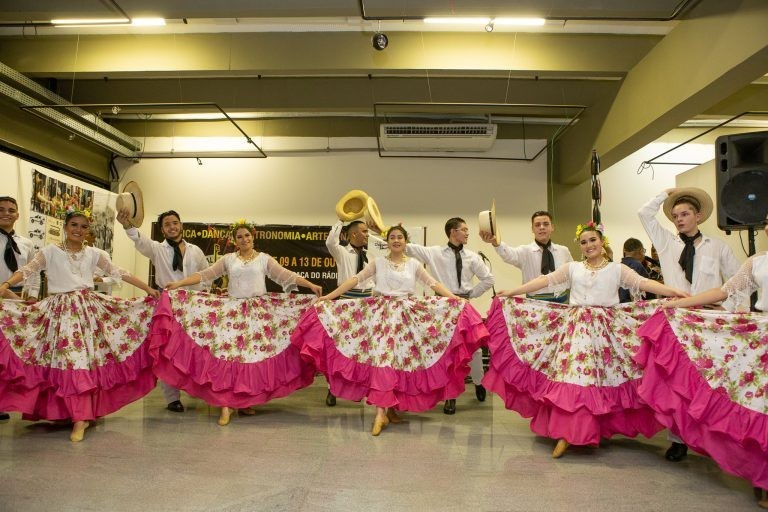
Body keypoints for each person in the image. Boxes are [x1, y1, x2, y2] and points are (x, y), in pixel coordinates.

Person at [486, 221, 688, 458]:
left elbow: (643, 283)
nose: (589, 245)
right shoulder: (572, 268)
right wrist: (512, 292)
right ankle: (570, 431)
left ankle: (593, 428)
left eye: (593, 240)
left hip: (605, 330)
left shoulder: (617, 269)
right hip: (576, 328)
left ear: (602, 242)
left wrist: (672, 291)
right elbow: (545, 281)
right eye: (584, 242)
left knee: (601, 378)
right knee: (576, 377)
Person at [293, 225, 488, 436]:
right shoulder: (378, 262)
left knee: (400, 360)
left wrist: (455, 298)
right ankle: (380, 412)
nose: (396, 240)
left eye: (400, 237)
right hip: (381, 316)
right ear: (387, 242)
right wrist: (330, 297)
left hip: (406, 318)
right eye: (392, 237)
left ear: (406, 242)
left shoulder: (413, 264)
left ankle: (392, 409)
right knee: (384, 360)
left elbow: (433, 283)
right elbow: (355, 280)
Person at [634, 223, 768, 508]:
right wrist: (677, 305)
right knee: (760, 405)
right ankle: (764, 476)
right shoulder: (757, 262)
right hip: (761, 337)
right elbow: (723, 291)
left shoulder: (720, 247)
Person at [0, 207, 159, 442]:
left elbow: (120, 272)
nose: (78, 230)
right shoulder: (50, 251)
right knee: (63, 360)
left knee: (81, 361)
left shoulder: (94, 253)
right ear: (65, 227)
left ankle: (81, 417)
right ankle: (68, 412)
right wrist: (5, 284)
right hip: (58, 312)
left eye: (84, 227)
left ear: (88, 231)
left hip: (87, 312)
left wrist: (147, 289)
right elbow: (27, 270)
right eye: (74, 225)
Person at [154, 220, 322, 426]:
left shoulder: (263, 259)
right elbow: (205, 275)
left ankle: (243, 401)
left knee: (250, 359)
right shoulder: (228, 259)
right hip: (232, 313)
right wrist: (179, 283)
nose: (244, 239)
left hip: (258, 314)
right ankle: (226, 405)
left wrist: (310, 284)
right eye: (240, 237)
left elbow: (286, 275)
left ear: (253, 237)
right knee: (229, 358)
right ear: (235, 240)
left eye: (247, 236)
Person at [638, 187, 741, 462]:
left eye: (685, 214)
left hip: (709, 323)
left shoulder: (718, 247)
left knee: (708, 384)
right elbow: (644, 214)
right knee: (675, 383)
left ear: (698, 216)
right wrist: (665, 194)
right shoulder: (667, 243)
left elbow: (738, 282)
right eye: (675, 215)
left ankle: (711, 438)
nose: (679, 219)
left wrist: (727, 309)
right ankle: (677, 440)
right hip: (676, 321)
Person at [117, 208, 210, 414]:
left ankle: (197, 389)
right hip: (167, 305)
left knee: (194, 348)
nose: (172, 227)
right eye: (167, 224)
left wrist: (205, 296)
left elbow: (206, 274)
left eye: (175, 222)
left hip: (193, 305)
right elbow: (139, 240)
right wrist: (127, 225)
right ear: (162, 229)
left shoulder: (195, 250)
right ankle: (172, 398)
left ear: (181, 225)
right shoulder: (157, 249)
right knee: (168, 350)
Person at [407, 217, 495, 415]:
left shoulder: (473, 256)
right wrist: (390, 231)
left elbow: (489, 279)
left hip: (464, 306)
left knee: (474, 350)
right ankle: (450, 397)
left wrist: (471, 294)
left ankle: (479, 382)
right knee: (447, 352)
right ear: (452, 232)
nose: (467, 233)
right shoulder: (434, 252)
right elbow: (408, 248)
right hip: (442, 308)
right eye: (463, 230)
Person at [323, 219, 376, 406]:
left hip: (368, 304)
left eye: (368, 232)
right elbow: (330, 242)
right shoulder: (342, 252)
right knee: (342, 347)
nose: (367, 235)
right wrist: (341, 220)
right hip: (346, 303)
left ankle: (362, 387)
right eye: (364, 231)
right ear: (353, 234)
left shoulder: (372, 255)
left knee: (365, 349)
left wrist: (383, 229)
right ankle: (333, 389)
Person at [0, 196, 41, 421]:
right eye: (1, 209)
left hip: (16, 303)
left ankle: (3, 401)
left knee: (11, 355)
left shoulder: (25, 243)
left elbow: (33, 272)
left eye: (11, 210)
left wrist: (32, 297)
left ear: (17, 214)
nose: (6, 213)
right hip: (1, 295)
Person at [480, 210, 573, 303]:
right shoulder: (525, 251)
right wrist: (496, 243)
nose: (542, 227)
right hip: (534, 305)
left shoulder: (563, 251)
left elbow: (572, 276)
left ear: (552, 227)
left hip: (562, 303)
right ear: (532, 229)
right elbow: (509, 255)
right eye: (537, 225)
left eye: (545, 224)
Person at [619, 238, 654, 302]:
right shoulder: (637, 266)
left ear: (625, 250)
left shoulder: (619, 266)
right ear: (641, 250)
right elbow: (635, 291)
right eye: (644, 251)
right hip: (633, 306)